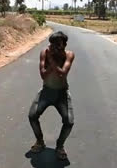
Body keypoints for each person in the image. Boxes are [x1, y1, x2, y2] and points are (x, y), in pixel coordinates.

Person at [28, 31, 75, 160]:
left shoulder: (69, 55)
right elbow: (43, 75)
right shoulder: (45, 53)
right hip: (46, 91)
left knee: (69, 122)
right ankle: (40, 141)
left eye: (58, 45)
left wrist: (52, 61)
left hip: (62, 93)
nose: (54, 47)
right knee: (32, 116)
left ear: (65, 45)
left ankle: (60, 146)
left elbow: (62, 73)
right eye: (52, 44)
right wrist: (51, 61)